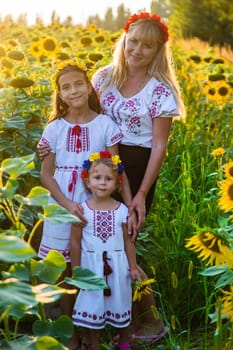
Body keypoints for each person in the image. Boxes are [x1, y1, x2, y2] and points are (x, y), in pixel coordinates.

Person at [38, 11, 185, 345]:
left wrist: (140, 194)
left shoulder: (160, 91)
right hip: (98, 165)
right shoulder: (103, 78)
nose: (137, 50)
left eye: (147, 46)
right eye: (133, 41)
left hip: (136, 170)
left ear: (158, 50)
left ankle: (147, 318)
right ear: (124, 39)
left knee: (122, 243)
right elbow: (82, 116)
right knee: (86, 243)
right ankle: (88, 317)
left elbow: (159, 147)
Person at [37, 61, 134, 349]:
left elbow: (118, 170)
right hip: (61, 204)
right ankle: (72, 332)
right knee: (64, 268)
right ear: (60, 94)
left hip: (95, 204)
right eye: (65, 87)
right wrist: (67, 203)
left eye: (78, 83)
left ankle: (94, 327)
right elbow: (46, 174)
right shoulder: (54, 128)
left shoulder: (105, 125)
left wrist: (129, 210)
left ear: (89, 87)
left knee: (92, 265)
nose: (73, 90)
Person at [70, 151, 141, 350]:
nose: (102, 182)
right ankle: (94, 345)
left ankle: (125, 343)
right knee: (92, 307)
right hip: (90, 269)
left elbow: (129, 243)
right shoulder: (81, 210)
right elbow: (74, 242)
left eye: (108, 179)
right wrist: (76, 271)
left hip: (118, 269)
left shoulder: (122, 211)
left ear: (117, 184)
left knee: (122, 305)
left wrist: (133, 267)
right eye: (97, 177)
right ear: (87, 181)